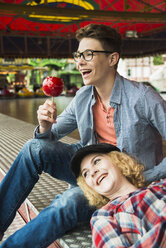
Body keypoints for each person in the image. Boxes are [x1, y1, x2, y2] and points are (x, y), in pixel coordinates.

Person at [0, 23, 166, 247]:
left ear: (112, 58)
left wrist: (148, 177)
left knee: (67, 202)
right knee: (33, 147)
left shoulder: (144, 98)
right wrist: (44, 126)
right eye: (78, 54)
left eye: (89, 54)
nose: (79, 62)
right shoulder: (83, 96)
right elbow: (48, 139)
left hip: (121, 183)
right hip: (90, 169)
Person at [71, 143, 166, 247]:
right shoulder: (102, 217)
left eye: (96, 161)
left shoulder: (160, 184)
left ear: (117, 160)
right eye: (86, 174)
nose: (92, 172)